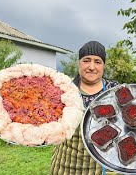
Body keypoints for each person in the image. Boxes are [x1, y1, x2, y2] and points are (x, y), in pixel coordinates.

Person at [51, 41, 119, 175]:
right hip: (65, 164)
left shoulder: (114, 90)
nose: (92, 67)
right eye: (86, 60)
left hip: (101, 167)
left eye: (97, 62)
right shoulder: (64, 89)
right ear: (79, 63)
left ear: (103, 66)